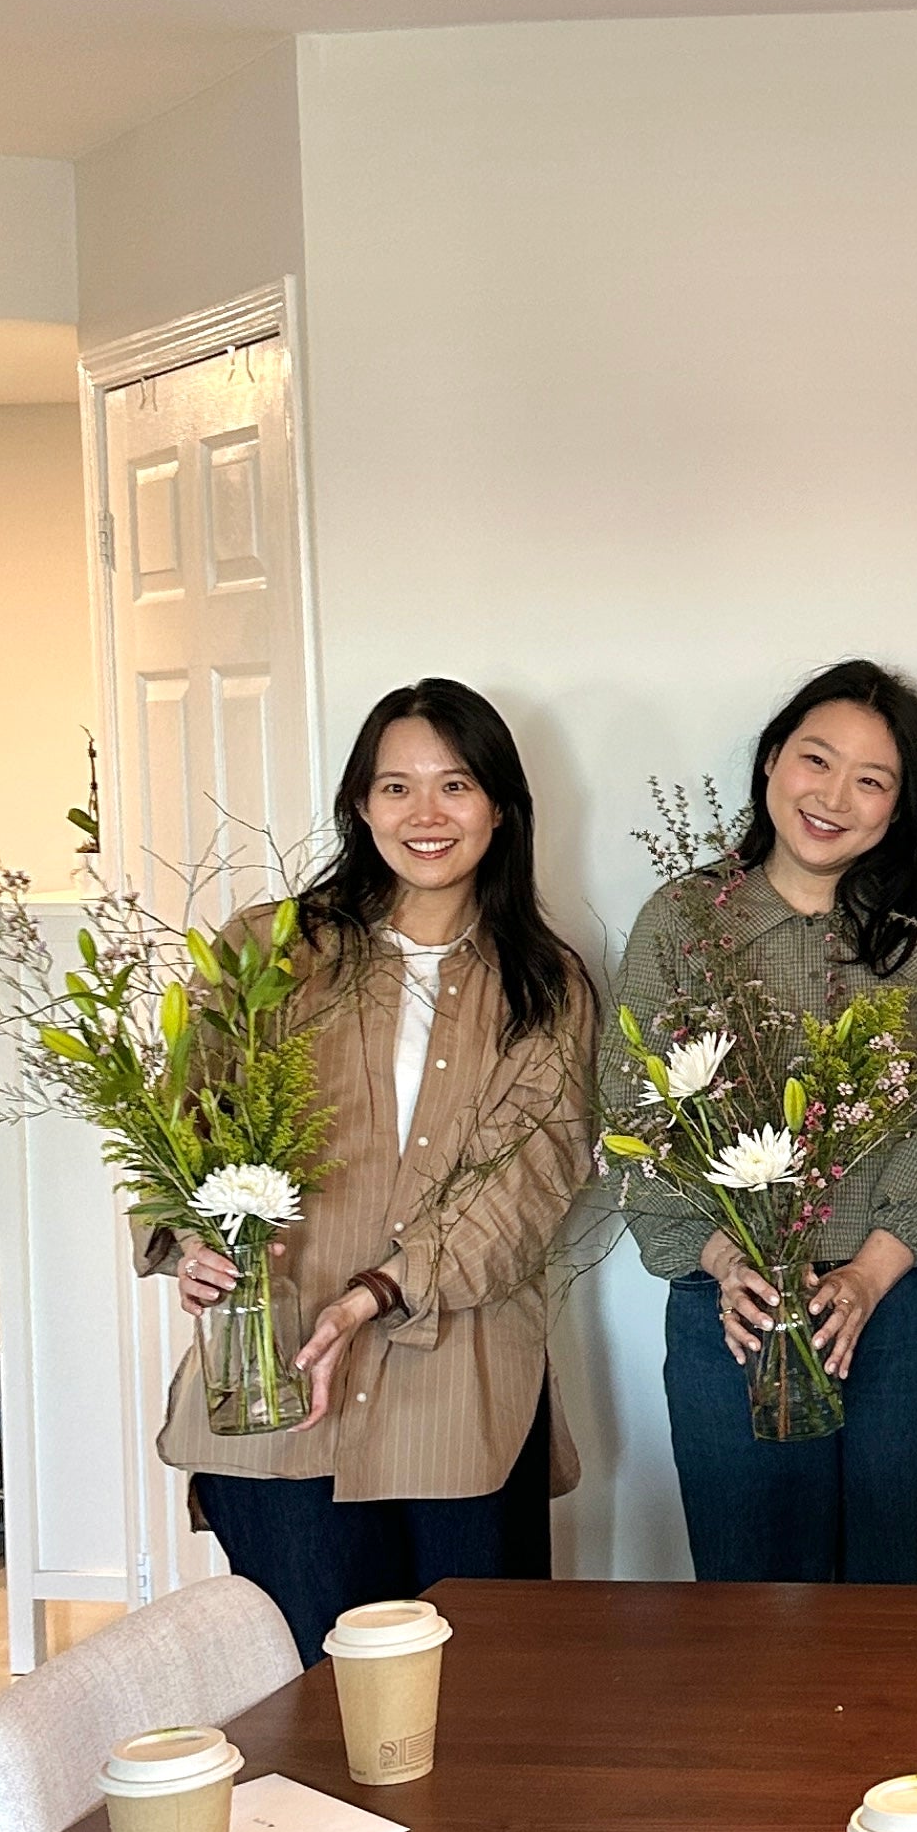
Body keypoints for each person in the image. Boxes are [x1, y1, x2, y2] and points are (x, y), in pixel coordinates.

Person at [161, 679, 597, 1657]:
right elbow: (186, 1128)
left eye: (456, 785)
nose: (426, 815)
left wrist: (377, 1292)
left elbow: (526, 1180)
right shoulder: (266, 951)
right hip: (276, 1386)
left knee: (483, 1702)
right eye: (396, 787)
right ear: (359, 804)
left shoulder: (546, 983)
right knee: (307, 1703)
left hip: (465, 1395)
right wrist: (191, 1238)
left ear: (501, 806)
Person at [616, 664, 917, 1584]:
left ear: (902, 807)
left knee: (899, 1594)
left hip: (904, 1296)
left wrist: (867, 1274)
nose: (833, 797)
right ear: (772, 761)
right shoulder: (683, 922)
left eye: (871, 780)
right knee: (754, 1602)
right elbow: (638, 1113)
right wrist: (727, 1260)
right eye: (814, 761)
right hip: (733, 1307)